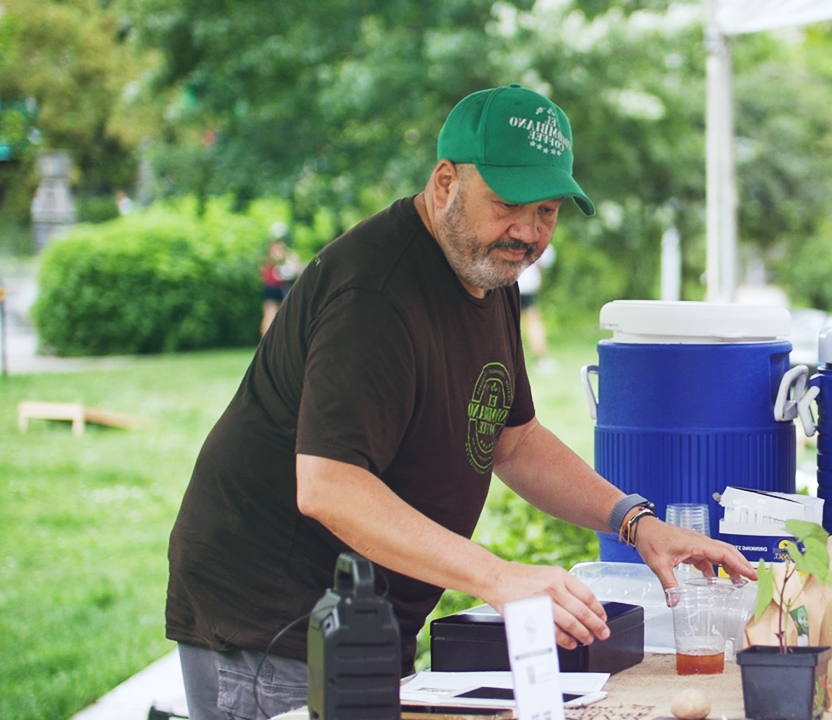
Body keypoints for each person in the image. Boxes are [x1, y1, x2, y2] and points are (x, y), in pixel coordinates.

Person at [166, 84, 756, 719]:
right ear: (445, 181)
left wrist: (636, 523)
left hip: (369, 615)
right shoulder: (376, 295)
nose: (528, 233)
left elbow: (514, 440)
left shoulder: (486, 269)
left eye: (548, 210)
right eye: (508, 204)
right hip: (274, 622)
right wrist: (496, 576)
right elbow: (329, 485)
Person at [517, 243, 555, 372]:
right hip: (526, 283)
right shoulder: (535, 232)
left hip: (506, 283)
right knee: (532, 321)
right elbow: (546, 259)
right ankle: (541, 360)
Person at [259, 229, 301, 336]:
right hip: (275, 288)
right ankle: (266, 341)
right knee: (270, 315)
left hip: (281, 288)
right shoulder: (281, 255)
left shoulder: (276, 255)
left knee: (281, 316)